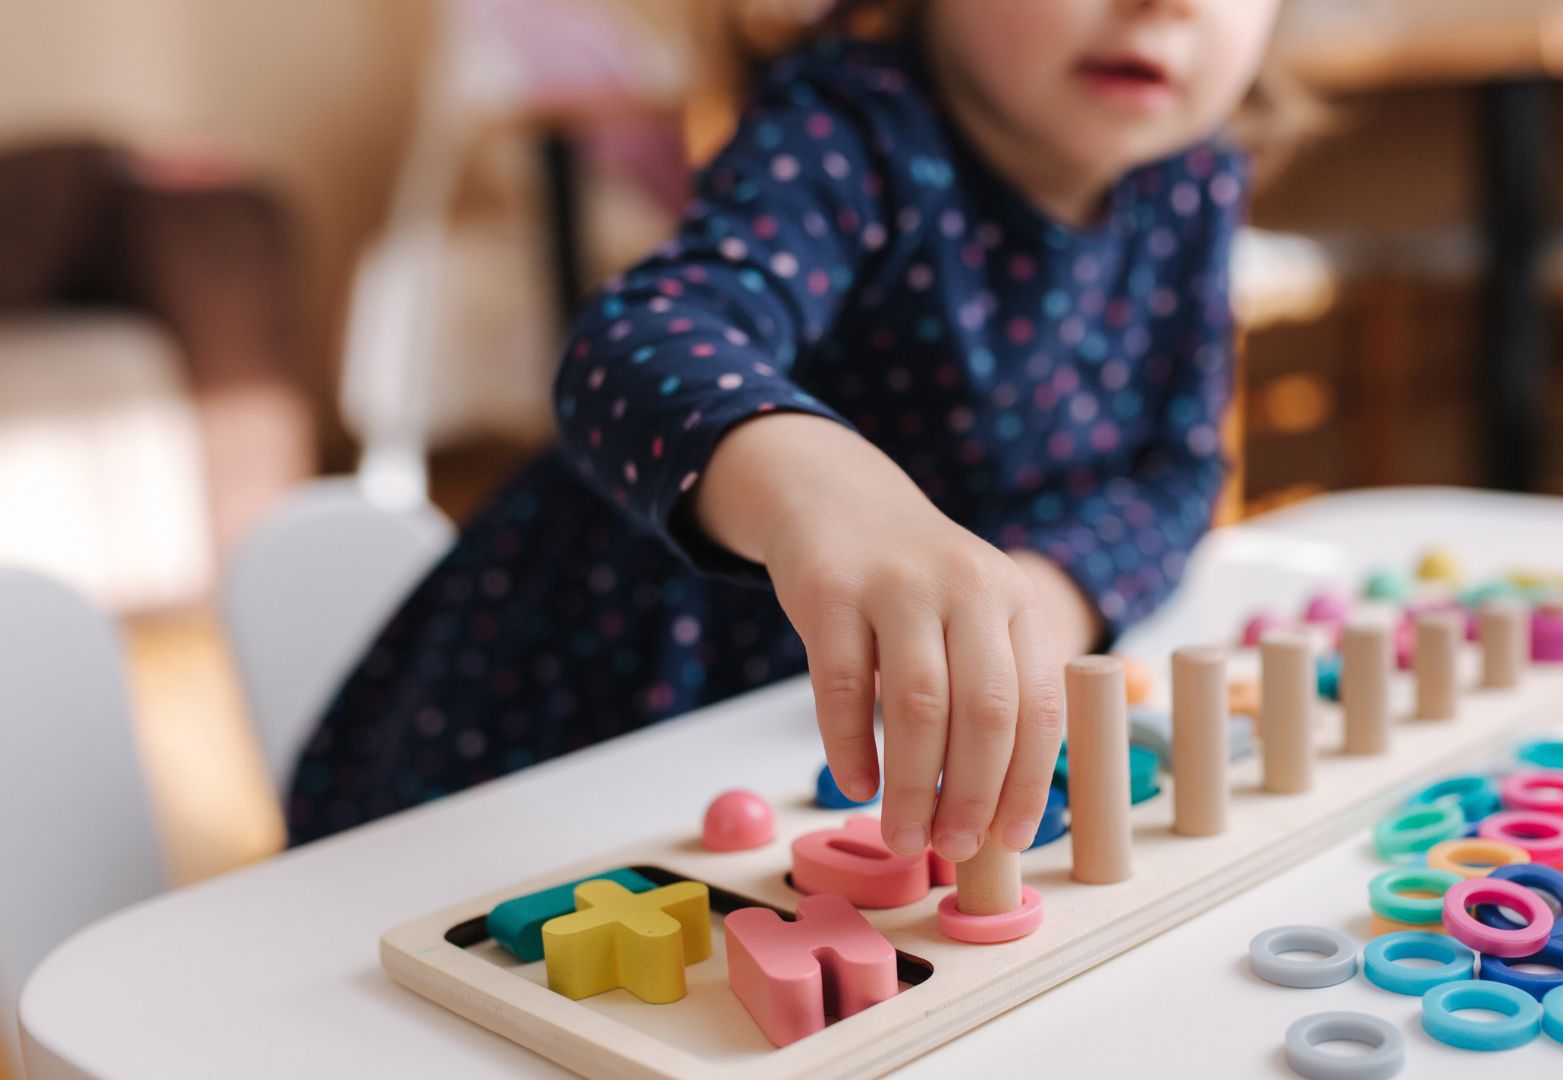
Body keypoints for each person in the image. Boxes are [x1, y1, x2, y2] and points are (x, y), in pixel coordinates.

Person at [287, 0, 1292, 863]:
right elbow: (634, 341)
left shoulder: (1195, 174)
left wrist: (1050, 594)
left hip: (877, 715)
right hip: (627, 685)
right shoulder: (845, 125)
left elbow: (1179, 468)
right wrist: (820, 485)